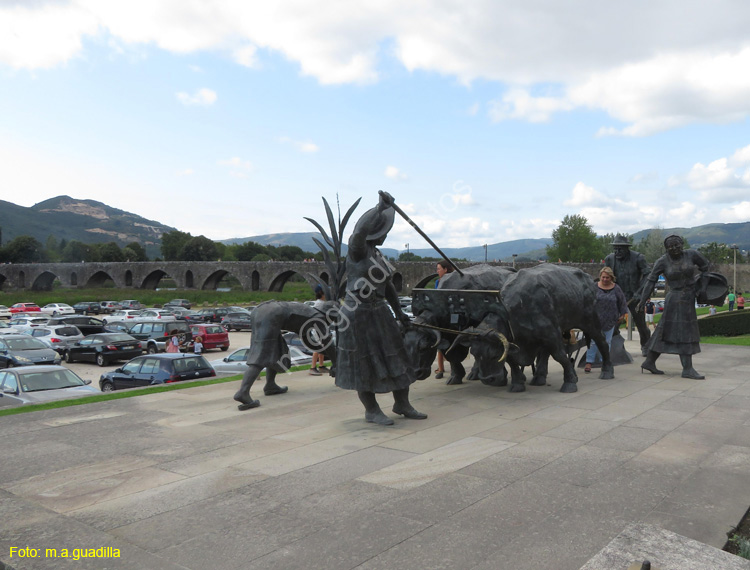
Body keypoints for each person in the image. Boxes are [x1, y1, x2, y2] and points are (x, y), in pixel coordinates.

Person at [335, 191, 427, 426]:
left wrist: (400, 314)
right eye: (384, 231)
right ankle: (372, 410)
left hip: (380, 312)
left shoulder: (378, 255)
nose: (386, 236)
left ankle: (402, 403)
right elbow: (358, 233)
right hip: (357, 314)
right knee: (364, 363)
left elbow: (387, 287)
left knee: (399, 357)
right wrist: (378, 209)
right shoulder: (357, 253)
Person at [637, 234, 709, 379]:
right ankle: (687, 369)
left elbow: (706, 268)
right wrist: (642, 300)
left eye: (676, 245)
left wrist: (702, 287)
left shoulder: (692, 255)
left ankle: (649, 361)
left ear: (682, 244)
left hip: (689, 297)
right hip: (674, 298)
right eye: (670, 247)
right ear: (666, 249)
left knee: (666, 331)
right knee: (681, 332)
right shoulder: (662, 261)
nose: (674, 248)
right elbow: (650, 281)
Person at [604, 234, 651, 355]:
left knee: (640, 323)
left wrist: (640, 292)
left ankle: (646, 344)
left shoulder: (638, 258)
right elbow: (605, 276)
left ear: (627, 248)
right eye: (615, 248)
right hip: (617, 296)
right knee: (614, 323)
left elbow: (648, 275)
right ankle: (615, 347)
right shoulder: (610, 259)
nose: (617, 251)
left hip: (635, 296)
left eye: (620, 248)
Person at [584, 267, 628, 373]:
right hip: (595, 319)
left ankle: (604, 360)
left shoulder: (616, 288)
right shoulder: (594, 287)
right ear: (600, 277)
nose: (605, 279)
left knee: (607, 341)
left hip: (610, 318)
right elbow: (587, 300)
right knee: (593, 341)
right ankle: (589, 361)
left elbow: (622, 302)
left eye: (607, 277)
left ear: (611, 277)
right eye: (603, 277)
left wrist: (622, 314)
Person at [433, 260, 454, 379]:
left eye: (439, 269)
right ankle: (440, 369)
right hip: (442, 315)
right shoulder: (438, 282)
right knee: (440, 344)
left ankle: (451, 367)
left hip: (452, 315)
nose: (437, 271)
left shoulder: (454, 281)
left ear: (446, 269)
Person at [310, 286, 327, 375]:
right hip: (317, 328)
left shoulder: (320, 303)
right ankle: (313, 367)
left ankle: (321, 366)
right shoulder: (320, 304)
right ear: (321, 293)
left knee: (322, 346)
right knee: (318, 347)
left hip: (319, 327)